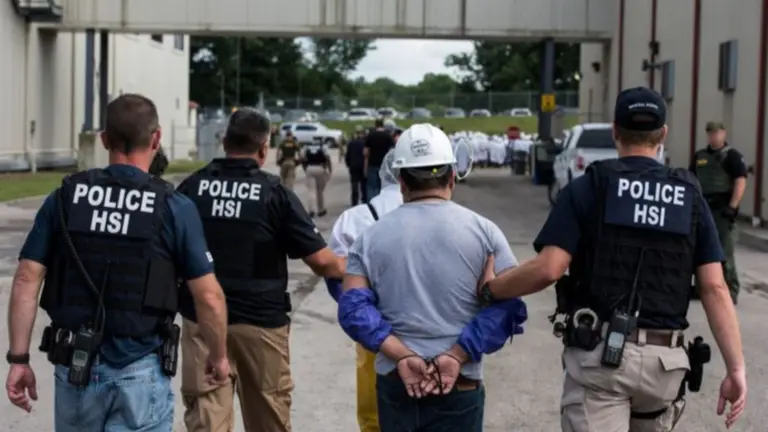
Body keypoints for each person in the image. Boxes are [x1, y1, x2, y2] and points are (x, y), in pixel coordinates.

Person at [480, 88, 747, 431]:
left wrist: (491, 289)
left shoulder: (589, 187)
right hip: (664, 367)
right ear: (663, 135)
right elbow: (714, 287)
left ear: (615, 131)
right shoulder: (689, 195)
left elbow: (549, 268)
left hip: (601, 360)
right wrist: (736, 369)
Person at [6, 94, 230, 431]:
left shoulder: (65, 197)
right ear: (156, 138)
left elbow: (27, 277)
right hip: (139, 369)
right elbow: (209, 296)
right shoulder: (174, 206)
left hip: (75, 367)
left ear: (104, 139)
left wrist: (19, 359)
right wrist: (218, 356)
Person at [337, 124, 528, 432]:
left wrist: (401, 355)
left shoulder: (368, 239)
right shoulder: (486, 233)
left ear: (401, 182)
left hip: (397, 382)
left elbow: (353, 310)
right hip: (460, 382)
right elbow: (509, 306)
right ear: (452, 176)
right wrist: (457, 354)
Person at [176, 108, 345, 432]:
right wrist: (361, 268)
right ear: (264, 148)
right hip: (261, 323)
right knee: (269, 417)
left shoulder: (191, 188)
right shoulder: (274, 194)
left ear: (224, 142)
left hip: (203, 323)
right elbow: (323, 262)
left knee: (207, 420)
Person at [689, 121, 748, 304]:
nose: (714, 136)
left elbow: (740, 181)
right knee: (700, 250)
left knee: (724, 252)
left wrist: (733, 207)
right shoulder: (700, 156)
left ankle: (731, 290)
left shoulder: (732, 156)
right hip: (703, 209)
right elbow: (692, 180)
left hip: (722, 211)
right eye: (711, 133)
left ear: (723, 133)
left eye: (717, 133)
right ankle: (701, 288)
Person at [364, 119, 396, 200]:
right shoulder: (388, 136)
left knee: (371, 187)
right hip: (384, 165)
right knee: (383, 186)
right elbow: (392, 152)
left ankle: (372, 204)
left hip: (372, 165)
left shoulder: (370, 135)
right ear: (383, 125)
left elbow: (366, 153)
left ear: (375, 125)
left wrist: (365, 168)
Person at [302, 137, 332, 217]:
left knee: (311, 191)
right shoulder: (323, 147)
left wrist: (305, 168)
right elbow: (327, 158)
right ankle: (321, 209)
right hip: (320, 168)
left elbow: (303, 158)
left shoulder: (307, 147)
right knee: (320, 191)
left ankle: (311, 210)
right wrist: (329, 170)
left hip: (310, 168)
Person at [346, 126, 368, 205]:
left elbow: (347, 155)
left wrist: (349, 164)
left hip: (353, 166)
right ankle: (364, 200)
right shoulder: (365, 143)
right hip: (363, 166)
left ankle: (354, 201)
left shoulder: (351, 143)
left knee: (354, 185)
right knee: (363, 185)